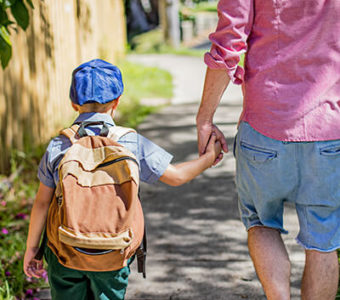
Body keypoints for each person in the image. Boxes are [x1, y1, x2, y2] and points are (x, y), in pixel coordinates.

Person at [23, 58, 222, 300]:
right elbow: (177, 176)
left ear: (74, 103)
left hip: (64, 251)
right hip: (113, 252)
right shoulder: (129, 142)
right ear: (117, 101)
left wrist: (32, 249)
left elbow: (42, 204)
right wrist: (209, 156)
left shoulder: (59, 145)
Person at [196, 1, 340, 299]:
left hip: (264, 129)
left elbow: (229, 43)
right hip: (329, 131)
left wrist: (205, 118)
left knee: (261, 222)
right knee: (324, 240)